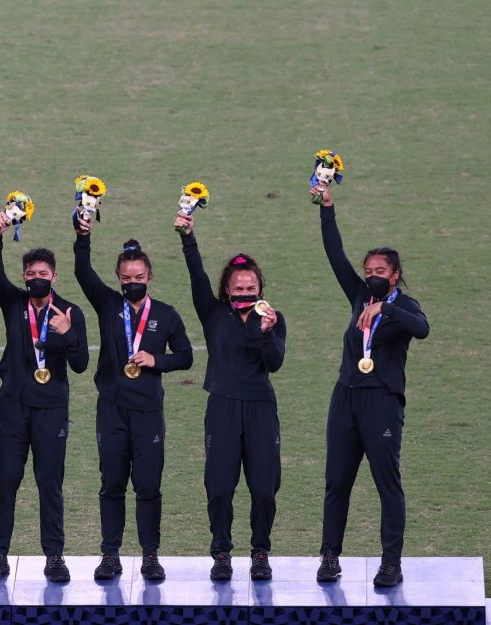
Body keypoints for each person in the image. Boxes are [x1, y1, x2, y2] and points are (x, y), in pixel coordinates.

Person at [313, 183, 428, 587]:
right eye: (370, 271)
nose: (373, 277)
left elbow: (423, 329)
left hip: (381, 400)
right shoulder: (359, 294)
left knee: (387, 482)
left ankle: (391, 563)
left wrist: (388, 307)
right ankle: (329, 557)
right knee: (336, 481)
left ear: (395, 275)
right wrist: (327, 208)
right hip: (345, 397)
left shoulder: (404, 306)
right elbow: (334, 255)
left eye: (381, 272)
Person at [74, 215, 193, 582]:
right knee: (111, 483)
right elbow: (82, 273)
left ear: (150, 277)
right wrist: (83, 235)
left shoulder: (166, 315)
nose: (132, 284)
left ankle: (150, 555)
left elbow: (186, 356)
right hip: (111, 410)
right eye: (126, 279)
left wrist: (156, 360)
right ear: (119, 279)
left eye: (139, 278)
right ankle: (110, 555)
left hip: (147, 412)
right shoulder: (109, 305)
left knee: (148, 485)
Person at [176, 211, 286, 582]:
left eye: (250, 288)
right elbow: (197, 276)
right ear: (227, 290)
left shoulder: (271, 317)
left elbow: (274, 364)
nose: (244, 294)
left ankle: (260, 551)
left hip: (259, 407)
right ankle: (221, 551)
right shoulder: (212, 313)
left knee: (264, 488)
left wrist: (268, 332)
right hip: (222, 406)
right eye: (238, 289)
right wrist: (187, 237)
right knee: (220, 485)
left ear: (260, 288)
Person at [0, 211, 89, 583]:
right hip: (12, 408)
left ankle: (55, 556)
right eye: (31, 274)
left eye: (44, 274)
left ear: (54, 276)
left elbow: (80, 365)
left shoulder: (71, 312)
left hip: (51, 411)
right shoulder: (14, 303)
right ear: (25, 277)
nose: (38, 279)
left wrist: (67, 335)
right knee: (4, 483)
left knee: (49, 485)